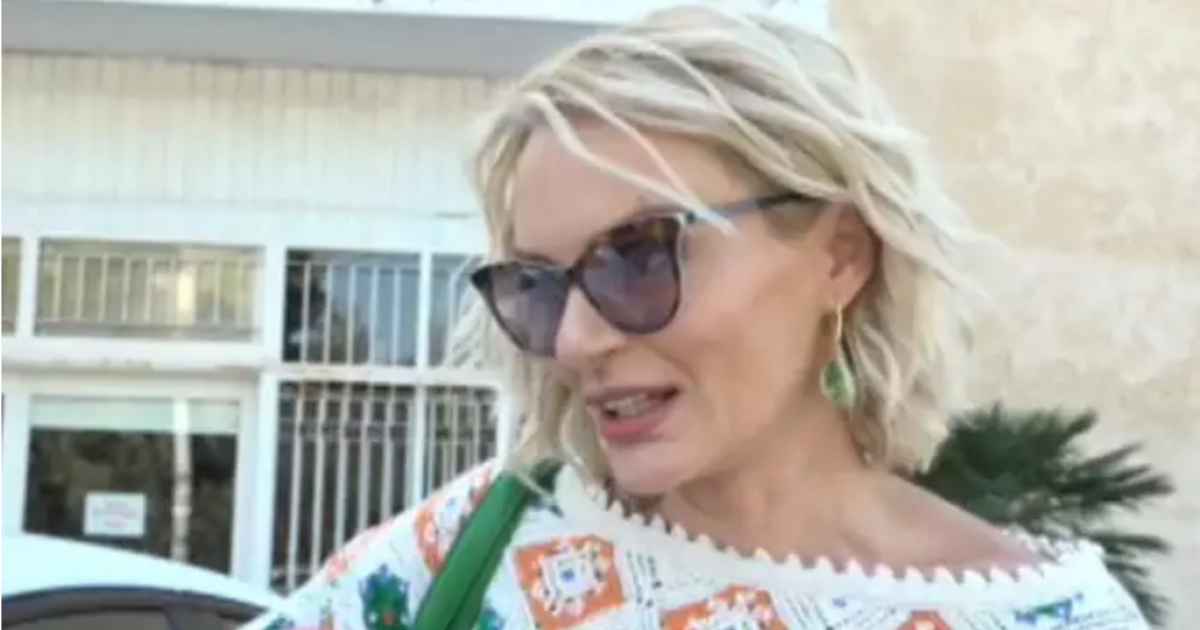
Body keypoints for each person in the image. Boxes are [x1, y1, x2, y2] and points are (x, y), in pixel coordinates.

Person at [246, 4, 1150, 629]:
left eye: (639, 257)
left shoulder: (1047, 615)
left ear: (841, 255)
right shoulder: (461, 555)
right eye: (539, 285)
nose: (576, 340)